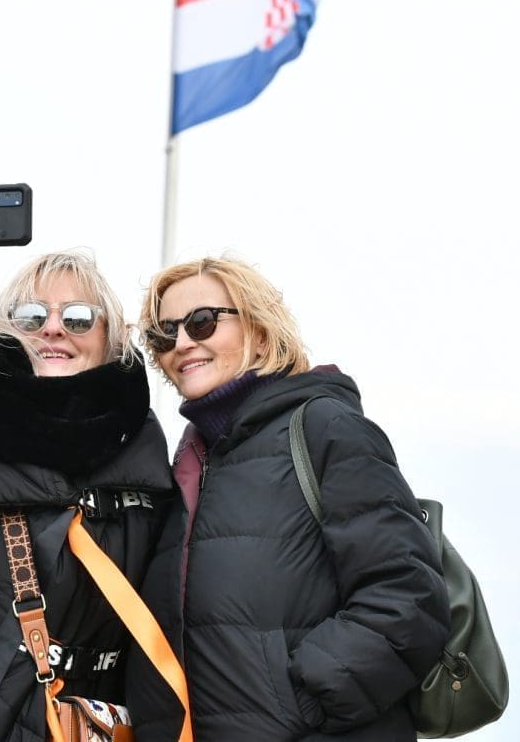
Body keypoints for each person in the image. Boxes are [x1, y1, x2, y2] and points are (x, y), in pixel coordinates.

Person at [125, 256, 452, 742]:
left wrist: (307, 703)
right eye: (164, 333)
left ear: (260, 332)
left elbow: (407, 598)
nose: (183, 342)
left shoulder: (326, 428)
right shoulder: (187, 464)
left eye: (202, 321)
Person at [0, 250, 175, 742]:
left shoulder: (151, 460)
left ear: (110, 337)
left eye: (78, 317)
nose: (53, 329)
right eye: (31, 316)